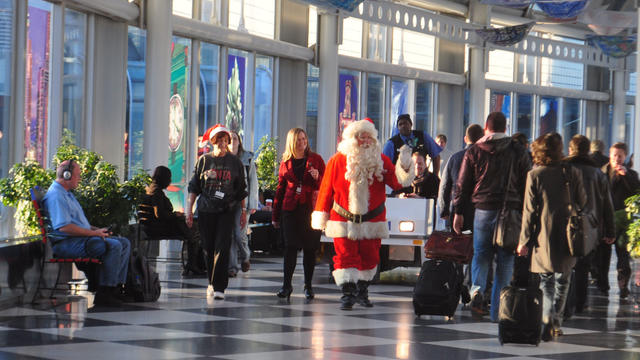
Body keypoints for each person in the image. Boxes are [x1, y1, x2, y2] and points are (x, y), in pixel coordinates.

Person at [312, 119, 414, 310]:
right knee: (344, 258)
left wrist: (405, 165)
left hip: (372, 220)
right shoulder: (337, 161)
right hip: (343, 219)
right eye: (362, 137)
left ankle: (362, 291)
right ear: (353, 138)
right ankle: (348, 294)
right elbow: (326, 190)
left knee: (370, 257)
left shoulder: (381, 161)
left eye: (369, 137)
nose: (366, 141)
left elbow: (398, 183)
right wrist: (321, 215)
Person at [453, 111, 531, 322]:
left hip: (483, 211)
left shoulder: (474, 150)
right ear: (506, 128)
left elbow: (462, 184)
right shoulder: (519, 151)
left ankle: (477, 290)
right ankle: (498, 311)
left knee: (481, 254)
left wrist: (458, 212)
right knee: (505, 261)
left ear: (486, 128)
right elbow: (527, 186)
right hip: (511, 212)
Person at [517, 133, 587, 341]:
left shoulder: (535, 175)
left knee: (545, 281)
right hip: (568, 234)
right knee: (563, 280)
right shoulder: (572, 172)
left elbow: (529, 212)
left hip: (543, 236)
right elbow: (583, 202)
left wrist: (523, 240)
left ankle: (547, 319)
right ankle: (556, 320)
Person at [43, 159, 131, 306]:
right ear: (67, 175)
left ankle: (114, 288)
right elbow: (64, 228)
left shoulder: (67, 194)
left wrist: (97, 230)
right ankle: (104, 291)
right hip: (66, 243)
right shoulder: (57, 196)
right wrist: (94, 234)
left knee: (124, 243)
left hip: (78, 239)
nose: (80, 178)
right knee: (114, 245)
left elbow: (77, 223)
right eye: (77, 175)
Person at [186, 124, 247, 300]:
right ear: (213, 142)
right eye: (218, 140)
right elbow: (194, 187)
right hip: (206, 210)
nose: (222, 143)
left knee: (223, 247)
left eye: (225, 140)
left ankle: (220, 286)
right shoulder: (203, 161)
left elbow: (241, 189)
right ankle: (211, 282)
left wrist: (243, 211)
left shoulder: (235, 162)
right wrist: (189, 211)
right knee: (208, 248)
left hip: (227, 210)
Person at [272, 128, 325, 301]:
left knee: (310, 249)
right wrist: (275, 215)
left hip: (310, 209)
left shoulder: (316, 159)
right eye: (299, 140)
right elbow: (280, 190)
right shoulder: (286, 162)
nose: (302, 142)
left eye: (304, 139)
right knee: (290, 248)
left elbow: (326, 184)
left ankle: (308, 286)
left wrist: (318, 177)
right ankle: (286, 285)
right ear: (292, 143)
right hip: (290, 209)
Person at [564, 135, 615, 313]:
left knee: (565, 264)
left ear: (570, 149)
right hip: (590, 226)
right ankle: (581, 302)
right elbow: (607, 205)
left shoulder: (563, 169)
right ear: (587, 151)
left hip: (565, 223)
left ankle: (564, 302)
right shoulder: (598, 174)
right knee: (583, 266)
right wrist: (610, 230)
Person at [140, 166, 204, 276]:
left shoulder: (149, 189)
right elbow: (159, 214)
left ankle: (194, 264)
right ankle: (193, 264)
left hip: (151, 226)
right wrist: (176, 214)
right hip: (158, 228)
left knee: (192, 230)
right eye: (169, 178)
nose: (170, 181)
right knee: (194, 232)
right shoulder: (157, 192)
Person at [597, 142, 640, 299]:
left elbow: (637, 191)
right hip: (605, 221)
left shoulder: (632, 174)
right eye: (614, 155)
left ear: (625, 156)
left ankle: (623, 285)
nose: (617, 159)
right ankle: (602, 285)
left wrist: (626, 175)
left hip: (623, 222)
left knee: (623, 255)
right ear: (610, 155)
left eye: (620, 156)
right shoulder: (601, 173)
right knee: (603, 255)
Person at [438, 124, 484, 230]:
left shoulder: (454, 158)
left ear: (465, 139)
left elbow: (444, 186)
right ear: (482, 139)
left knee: (457, 244)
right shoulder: (485, 158)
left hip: (457, 211)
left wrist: (444, 210)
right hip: (480, 211)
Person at [227, 130, 258, 278]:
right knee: (230, 235)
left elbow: (253, 182)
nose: (232, 141)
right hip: (226, 202)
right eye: (230, 139)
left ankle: (245, 256)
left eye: (235, 139)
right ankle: (232, 267)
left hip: (242, 202)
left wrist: (252, 204)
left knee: (239, 235)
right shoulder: (223, 158)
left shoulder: (247, 159)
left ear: (239, 141)